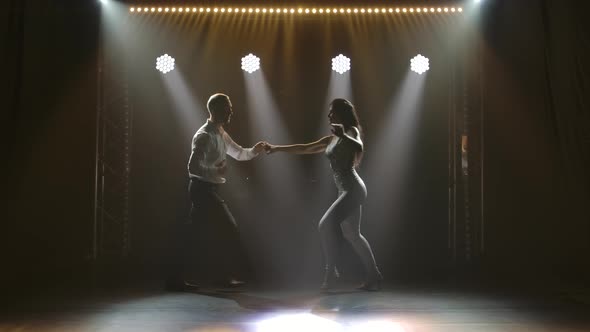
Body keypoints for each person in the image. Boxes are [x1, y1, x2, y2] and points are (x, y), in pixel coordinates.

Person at [266, 98, 382, 291]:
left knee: (325, 225)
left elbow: (359, 146)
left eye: (332, 112)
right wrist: (277, 148)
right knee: (353, 235)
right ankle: (374, 275)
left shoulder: (350, 131)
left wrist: (343, 136)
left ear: (341, 114)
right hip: (344, 190)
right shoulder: (330, 139)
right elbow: (305, 148)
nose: (328, 116)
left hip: (353, 189)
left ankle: (331, 274)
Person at [167, 93, 268, 291]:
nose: (231, 111)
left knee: (197, 236)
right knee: (228, 228)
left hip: (208, 189)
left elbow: (239, 153)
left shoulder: (220, 133)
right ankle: (219, 277)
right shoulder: (204, 135)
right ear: (215, 110)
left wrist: (256, 150)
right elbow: (192, 167)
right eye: (227, 107)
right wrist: (216, 170)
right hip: (201, 190)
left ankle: (177, 278)